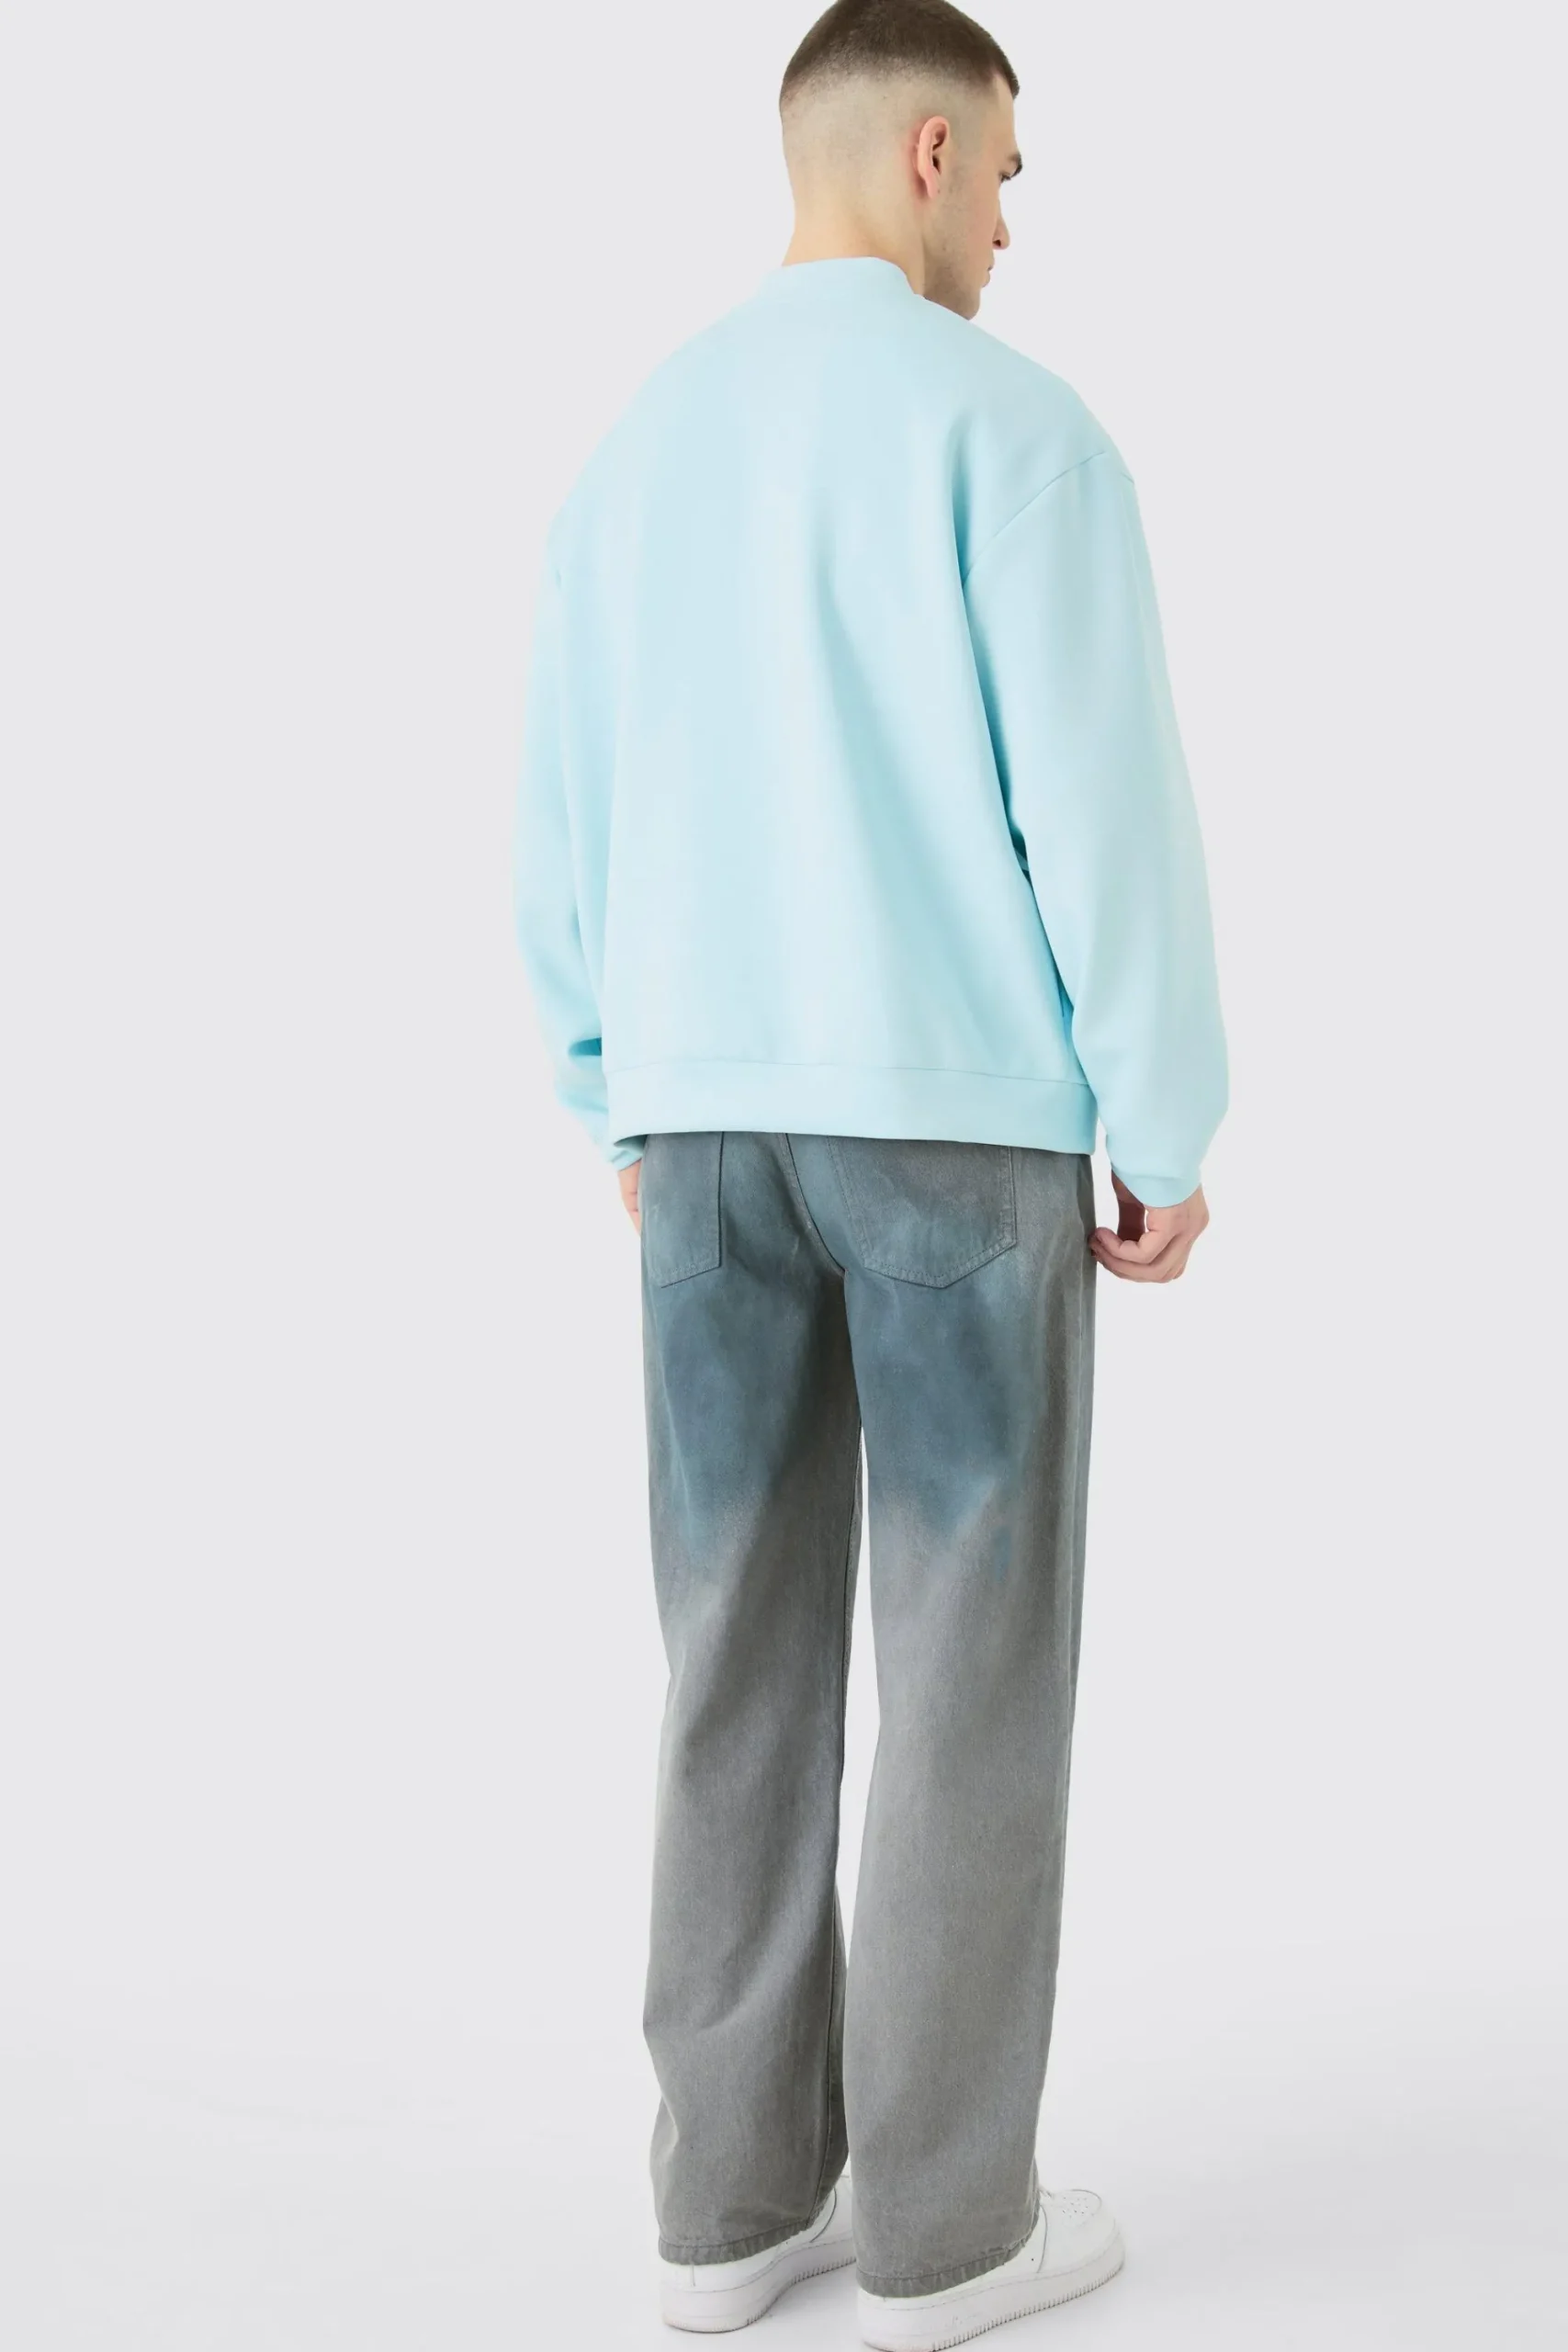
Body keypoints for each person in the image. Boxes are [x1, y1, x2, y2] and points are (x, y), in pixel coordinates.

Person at [513, 1, 1226, 2341]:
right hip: (958, 1126)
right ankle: (944, 2225)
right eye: (1007, 172)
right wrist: (1163, 1121)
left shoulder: (635, 447)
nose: (1011, 223)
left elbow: (562, 810)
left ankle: (729, 2205)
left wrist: (615, 1082)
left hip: (703, 1127)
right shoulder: (1010, 434)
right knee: (966, 1665)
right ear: (928, 149)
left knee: (728, 1652)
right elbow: (1100, 811)